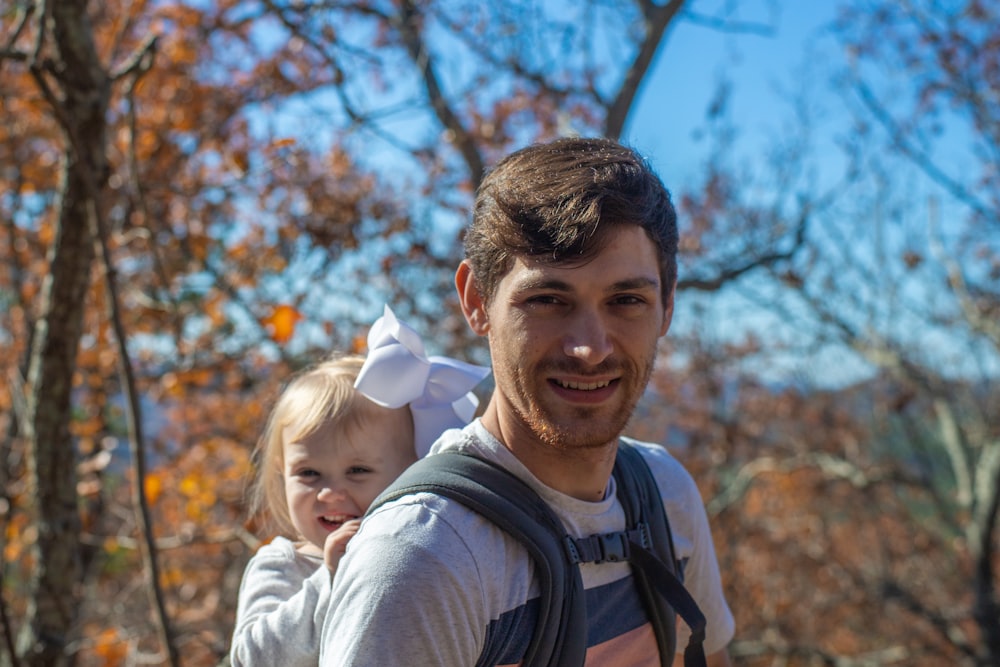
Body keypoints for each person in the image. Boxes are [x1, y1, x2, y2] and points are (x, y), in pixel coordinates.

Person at [319, 137, 735, 666]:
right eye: (547, 300)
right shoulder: (422, 559)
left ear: (667, 307)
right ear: (476, 301)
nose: (590, 348)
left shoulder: (664, 495)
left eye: (626, 300)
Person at [230, 306, 489, 667]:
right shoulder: (283, 566)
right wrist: (330, 578)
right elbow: (252, 657)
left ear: (408, 472)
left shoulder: (415, 558)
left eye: (357, 470)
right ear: (281, 471)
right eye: (308, 474)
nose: (330, 493)